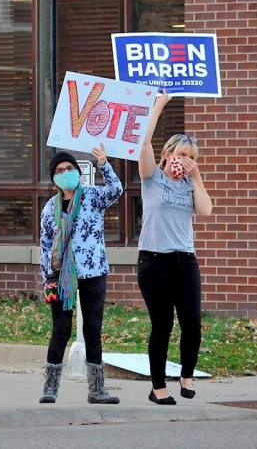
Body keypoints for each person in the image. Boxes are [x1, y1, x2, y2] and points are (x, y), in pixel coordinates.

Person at [137, 91, 213, 405]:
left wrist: (197, 178)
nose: (187, 162)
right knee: (163, 325)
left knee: (192, 322)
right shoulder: (152, 178)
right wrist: (158, 107)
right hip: (154, 262)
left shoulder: (188, 184)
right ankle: (158, 388)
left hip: (185, 262)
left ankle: (186, 375)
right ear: (169, 154)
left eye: (192, 157)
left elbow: (206, 210)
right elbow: (143, 143)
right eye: (183, 155)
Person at [38, 144, 123, 404]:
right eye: (60, 171)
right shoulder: (49, 210)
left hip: (93, 271)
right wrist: (47, 280)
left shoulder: (93, 196)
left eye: (69, 168)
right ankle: (50, 389)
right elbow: (44, 246)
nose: (65, 173)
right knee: (61, 329)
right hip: (61, 278)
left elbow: (117, 191)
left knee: (93, 329)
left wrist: (104, 164)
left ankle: (97, 390)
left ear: (77, 172)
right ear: (54, 178)